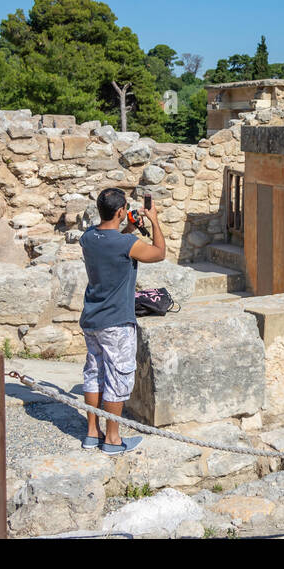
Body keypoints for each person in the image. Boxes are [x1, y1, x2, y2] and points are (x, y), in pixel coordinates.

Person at [79, 187, 165, 454]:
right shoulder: (125, 244)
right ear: (120, 211)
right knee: (118, 377)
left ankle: (92, 433)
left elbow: (112, 242)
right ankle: (113, 440)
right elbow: (158, 252)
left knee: (95, 374)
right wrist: (154, 220)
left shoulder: (88, 237)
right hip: (116, 322)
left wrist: (127, 227)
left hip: (92, 318)